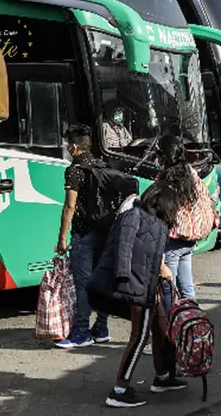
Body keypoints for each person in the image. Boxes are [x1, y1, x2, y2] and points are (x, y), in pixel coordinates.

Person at [89, 182, 181, 408]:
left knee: (160, 326)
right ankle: (119, 389)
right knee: (139, 337)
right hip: (135, 287)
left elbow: (151, 257)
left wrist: (160, 273)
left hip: (145, 286)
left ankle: (163, 377)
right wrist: (124, 280)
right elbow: (124, 247)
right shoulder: (135, 215)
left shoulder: (155, 223)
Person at [55, 124, 111, 349]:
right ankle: (102, 328)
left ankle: (81, 332)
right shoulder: (102, 165)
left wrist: (62, 238)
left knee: (83, 284)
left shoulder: (75, 170)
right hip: (105, 233)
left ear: (74, 146)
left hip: (84, 233)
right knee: (102, 282)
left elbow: (70, 206)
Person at [155, 135, 219, 305]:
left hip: (174, 240)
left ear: (164, 156)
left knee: (169, 287)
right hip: (190, 239)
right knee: (187, 288)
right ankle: (193, 325)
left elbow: (163, 210)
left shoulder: (165, 178)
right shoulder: (191, 173)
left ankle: (170, 326)